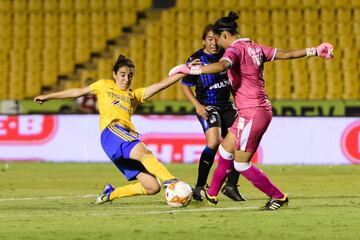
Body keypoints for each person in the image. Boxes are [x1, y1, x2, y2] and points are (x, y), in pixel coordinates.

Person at [169, 11, 334, 210]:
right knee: (225, 150)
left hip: (252, 113)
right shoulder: (255, 46)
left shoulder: (234, 50)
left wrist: (191, 70)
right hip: (254, 111)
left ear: (224, 36)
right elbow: (286, 54)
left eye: (218, 40)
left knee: (241, 165)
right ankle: (212, 193)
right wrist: (315, 50)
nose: (218, 45)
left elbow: (222, 65)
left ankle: (278, 197)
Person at [34, 54, 188, 204]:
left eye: (130, 76)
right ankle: (171, 181)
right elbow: (77, 92)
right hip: (112, 132)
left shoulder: (133, 95)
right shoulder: (103, 85)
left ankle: (111, 194)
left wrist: (184, 72)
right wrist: (49, 96)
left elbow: (160, 85)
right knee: (144, 152)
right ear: (114, 74)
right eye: (122, 75)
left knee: (152, 187)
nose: (126, 79)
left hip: (122, 137)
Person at [180, 24, 245, 201]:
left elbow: (232, 81)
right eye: (210, 39)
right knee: (214, 141)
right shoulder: (197, 58)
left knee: (239, 142)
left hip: (226, 106)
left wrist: (238, 101)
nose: (214, 43)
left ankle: (231, 185)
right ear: (204, 41)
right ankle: (200, 186)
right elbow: (185, 86)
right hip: (208, 107)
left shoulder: (226, 56)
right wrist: (197, 105)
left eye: (216, 39)